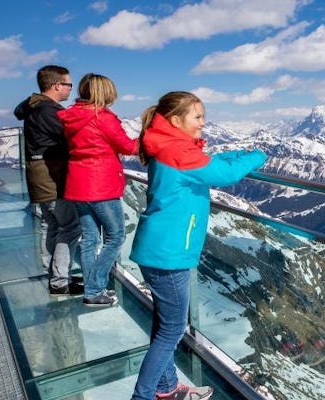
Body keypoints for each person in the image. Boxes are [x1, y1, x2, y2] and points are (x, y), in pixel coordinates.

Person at [129, 92, 266, 400]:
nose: (204, 122)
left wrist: (233, 155)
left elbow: (209, 164)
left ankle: (165, 389)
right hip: (169, 253)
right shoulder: (178, 152)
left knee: (165, 324)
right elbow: (225, 175)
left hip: (159, 248)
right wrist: (257, 156)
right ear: (176, 121)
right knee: (173, 329)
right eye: (198, 117)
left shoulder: (170, 147)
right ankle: (143, 396)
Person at [58, 73, 138, 307]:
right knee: (115, 236)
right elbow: (128, 146)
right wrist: (154, 139)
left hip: (78, 184)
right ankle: (94, 289)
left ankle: (92, 290)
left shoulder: (72, 117)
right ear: (105, 93)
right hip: (101, 185)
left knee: (90, 239)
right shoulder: (102, 118)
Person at [14, 65, 83, 296]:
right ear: (57, 86)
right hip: (51, 175)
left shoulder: (34, 107)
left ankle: (53, 274)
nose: (70, 89)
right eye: (68, 85)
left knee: (52, 223)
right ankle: (60, 280)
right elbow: (70, 139)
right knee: (71, 227)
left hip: (38, 174)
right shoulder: (49, 111)